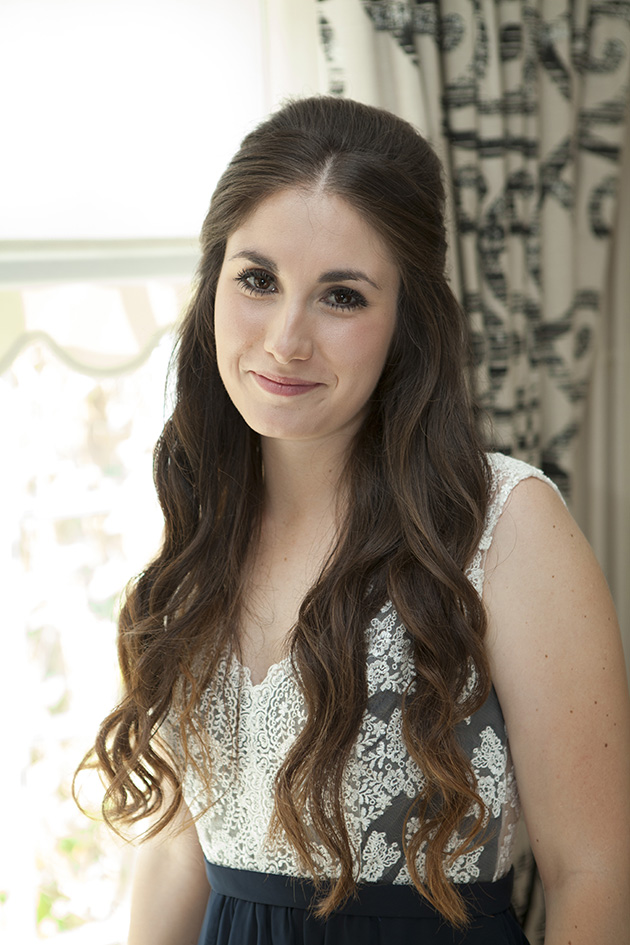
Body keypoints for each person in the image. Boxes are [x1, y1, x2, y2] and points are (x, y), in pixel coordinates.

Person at [76, 97, 630, 945]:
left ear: (407, 319)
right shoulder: (199, 526)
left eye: (341, 296)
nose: (286, 340)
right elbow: (180, 855)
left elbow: (592, 870)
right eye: (257, 280)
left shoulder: (505, 524)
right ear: (214, 282)